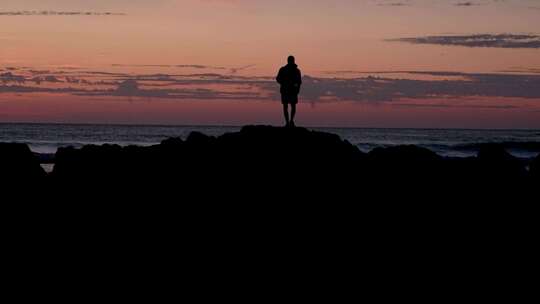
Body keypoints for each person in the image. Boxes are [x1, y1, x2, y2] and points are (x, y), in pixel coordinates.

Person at [276, 56, 302, 127]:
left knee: (291, 106)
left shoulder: (296, 70)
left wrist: (297, 89)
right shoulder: (283, 69)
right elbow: (278, 79)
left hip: (292, 91)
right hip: (285, 90)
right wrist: (284, 83)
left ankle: (290, 121)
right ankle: (288, 122)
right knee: (286, 106)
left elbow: (299, 82)